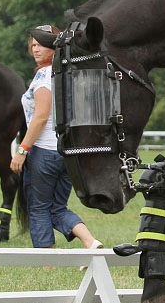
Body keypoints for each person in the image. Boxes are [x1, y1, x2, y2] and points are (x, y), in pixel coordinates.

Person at [10, 25, 101, 250]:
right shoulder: (70, 73)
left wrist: (22, 151)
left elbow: (40, 118)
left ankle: (48, 262)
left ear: (55, 48)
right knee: (58, 207)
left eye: (41, 44)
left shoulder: (44, 76)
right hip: (67, 153)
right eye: (33, 44)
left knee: (39, 207)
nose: (35, 49)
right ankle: (90, 241)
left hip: (44, 152)